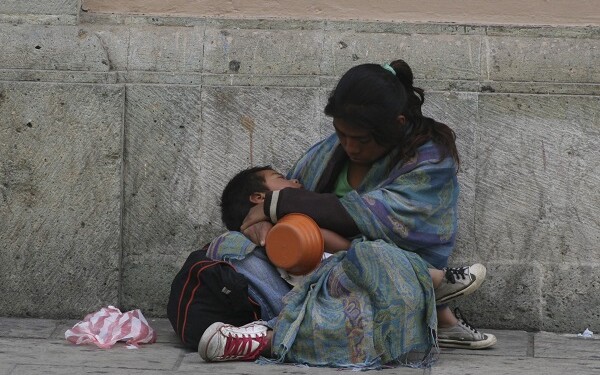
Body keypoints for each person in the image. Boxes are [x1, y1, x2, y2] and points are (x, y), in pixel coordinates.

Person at [200, 59, 496, 367]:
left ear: (397, 123)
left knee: (371, 284)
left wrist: (281, 205)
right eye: (341, 134)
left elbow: (359, 215)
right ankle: (435, 307)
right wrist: (263, 228)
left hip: (384, 284)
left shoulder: (430, 161)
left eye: (362, 140)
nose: (350, 147)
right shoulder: (332, 151)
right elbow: (288, 211)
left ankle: (267, 339)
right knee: (228, 248)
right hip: (310, 273)